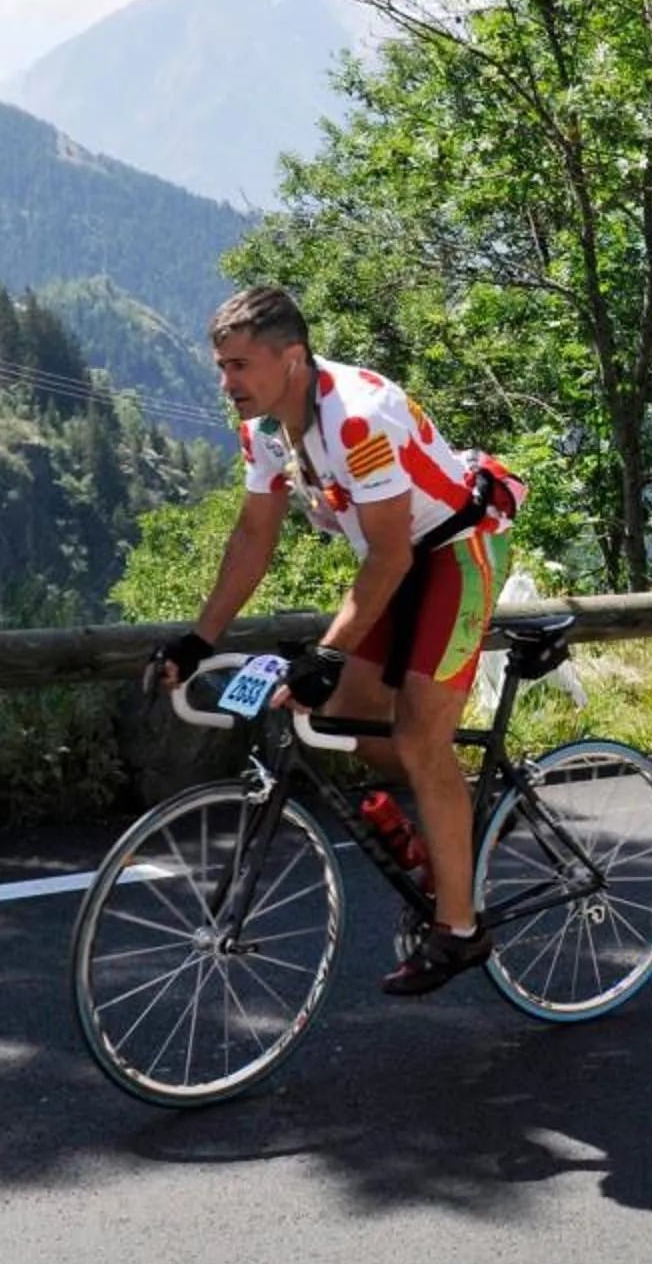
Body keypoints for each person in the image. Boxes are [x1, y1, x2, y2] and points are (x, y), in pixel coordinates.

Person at [145, 286, 525, 995]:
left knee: (419, 736)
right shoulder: (262, 427)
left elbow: (390, 556)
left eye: (239, 366)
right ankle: (454, 827)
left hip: (455, 552)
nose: (226, 382)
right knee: (338, 717)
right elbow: (253, 535)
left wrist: (326, 650)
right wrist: (199, 638)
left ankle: (461, 931)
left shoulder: (357, 418)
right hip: (397, 561)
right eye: (221, 365)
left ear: (291, 359)